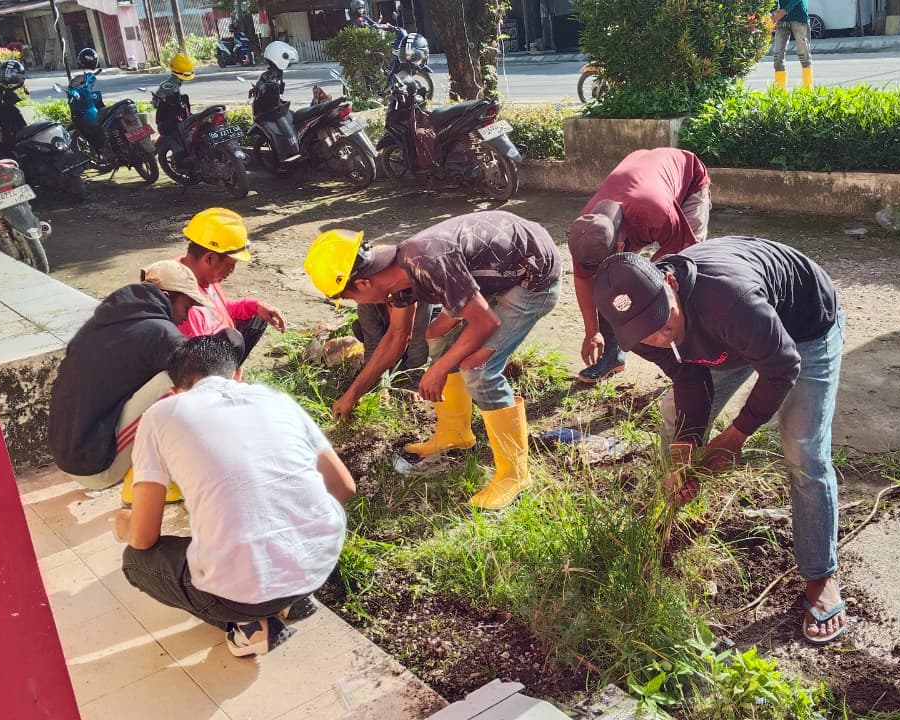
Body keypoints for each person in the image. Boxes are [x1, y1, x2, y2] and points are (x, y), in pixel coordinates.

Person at [590, 236, 846, 644]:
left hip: (803, 326)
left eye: (661, 319)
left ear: (669, 282)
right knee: (674, 417)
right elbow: (689, 377)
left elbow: (782, 367)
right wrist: (684, 458)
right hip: (732, 338)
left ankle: (820, 575)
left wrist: (734, 437)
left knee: (802, 447)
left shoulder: (728, 299)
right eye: (644, 331)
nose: (658, 335)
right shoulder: (640, 332)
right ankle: (677, 518)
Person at [115, 332, 355, 657]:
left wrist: (124, 523)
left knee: (135, 560)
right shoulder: (278, 400)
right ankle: (292, 596)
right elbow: (343, 488)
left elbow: (143, 538)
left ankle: (250, 626)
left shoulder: (160, 416)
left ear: (174, 391)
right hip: (318, 567)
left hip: (248, 588)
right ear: (238, 374)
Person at [304, 211, 561, 510]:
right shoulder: (399, 279)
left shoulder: (427, 261)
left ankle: (514, 476)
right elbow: (397, 338)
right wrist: (353, 395)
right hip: (490, 274)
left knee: (478, 369)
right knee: (436, 334)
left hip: (532, 277)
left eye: (347, 297)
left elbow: (485, 323)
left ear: (362, 284)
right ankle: (455, 433)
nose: (353, 304)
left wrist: (438, 369)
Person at [48, 261, 209, 495]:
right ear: (166, 296)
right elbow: (202, 378)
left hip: (68, 454)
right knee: (176, 381)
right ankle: (168, 480)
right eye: (187, 306)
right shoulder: (160, 332)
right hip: (95, 467)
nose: (186, 317)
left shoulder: (102, 323)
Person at [568, 148, 711, 384]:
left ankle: (691, 359)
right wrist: (592, 331)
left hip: (687, 179)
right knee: (612, 283)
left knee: (679, 277)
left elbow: (677, 251)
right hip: (642, 178)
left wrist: (642, 280)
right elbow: (584, 279)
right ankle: (613, 357)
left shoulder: (655, 213)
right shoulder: (587, 233)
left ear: (622, 243)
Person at [177, 207, 286, 359]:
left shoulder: (198, 273)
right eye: (230, 265)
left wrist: (254, 306)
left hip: (212, 348)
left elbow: (217, 310)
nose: (232, 271)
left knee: (257, 317)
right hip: (200, 366)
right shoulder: (184, 303)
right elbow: (197, 364)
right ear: (210, 258)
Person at [152, 53, 196, 167]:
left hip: (177, 119)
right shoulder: (168, 86)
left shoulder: (167, 85)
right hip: (172, 121)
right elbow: (157, 102)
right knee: (173, 138)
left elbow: (155, 103)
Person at [772, 0, 813, 90]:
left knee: (804, 56)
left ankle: (808, 91)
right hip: (782, 20)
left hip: (799, 17)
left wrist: (784, 11)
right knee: (778, 57)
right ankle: (780, 95)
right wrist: (773, 12)